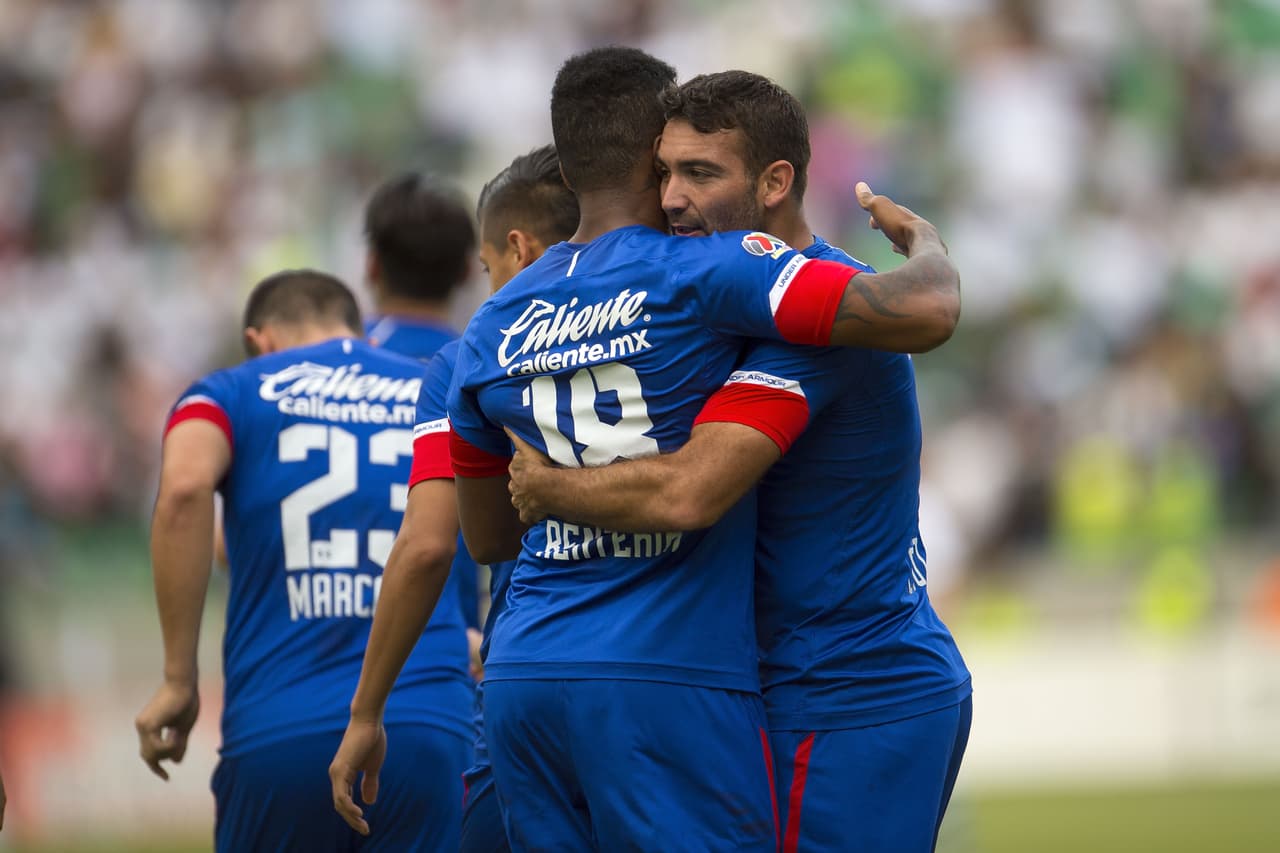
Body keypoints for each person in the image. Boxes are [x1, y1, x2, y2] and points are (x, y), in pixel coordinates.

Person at [445, 47, 959, 851]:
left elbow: (683, 492)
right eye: (667, 172)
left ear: (775, 182)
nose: (677, 200)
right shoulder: (715, 288)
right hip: (762, 680)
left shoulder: (800, 319)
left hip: (847, 688)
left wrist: (552, 488)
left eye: (700, 174)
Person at [135, 270, 472, 852]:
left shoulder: (228, 390)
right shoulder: (433, 389)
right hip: (425, 723)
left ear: (259, 340)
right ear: (364, 336)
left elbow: (185, 490)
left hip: (278, 730)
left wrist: (177, 678)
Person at [329, 145, 578, 852]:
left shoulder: (453, 366)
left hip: (395, 669)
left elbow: (427, 538)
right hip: (482, 662)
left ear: (372, 266)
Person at [361, 172, 486, 668]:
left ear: (371, 266)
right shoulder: (487, 369)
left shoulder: (314, 365)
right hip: (450, 653)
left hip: (322, 656)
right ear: (466, 271)